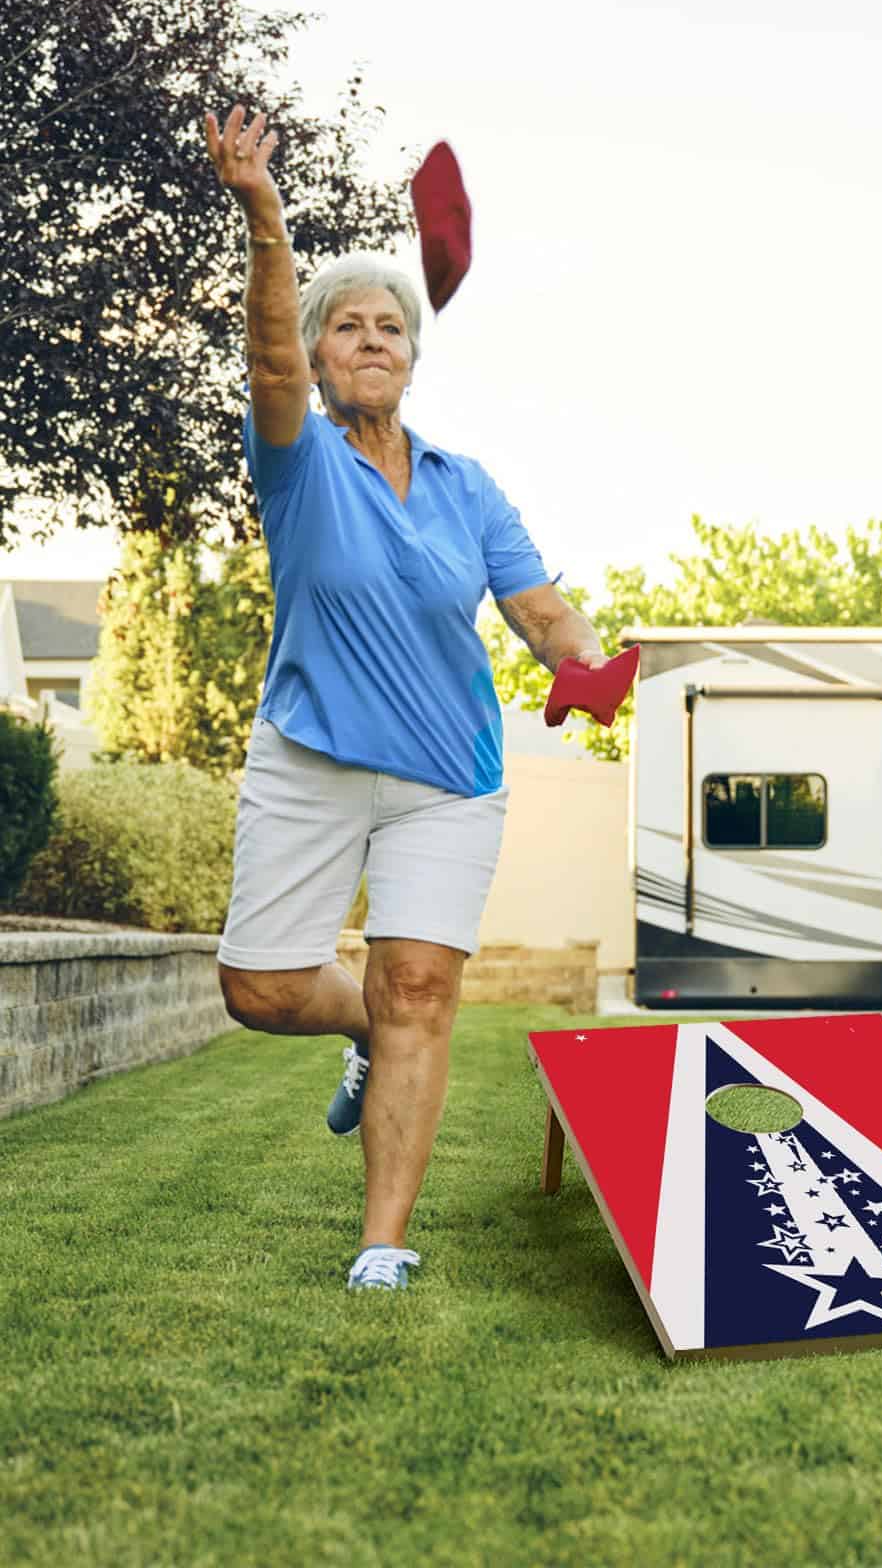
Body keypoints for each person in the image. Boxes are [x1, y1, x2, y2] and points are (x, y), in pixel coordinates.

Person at [203, 105, 610, 1292]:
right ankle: (359, 1029)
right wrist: (265, 218)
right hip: (313, 752)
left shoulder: (465, 484)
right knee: (260, 985)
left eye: (391, 326)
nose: (369, 340)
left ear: (413, 357)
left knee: (422, 985)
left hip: (446, 773)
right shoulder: (297, 455)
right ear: (322, 359)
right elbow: (265, 360)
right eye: (348, 327)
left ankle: (383, 1239)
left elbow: (540, 606)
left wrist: (575, 661)